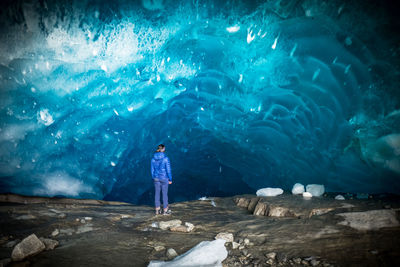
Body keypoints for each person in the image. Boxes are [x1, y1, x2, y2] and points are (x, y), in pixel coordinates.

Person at [151, 144, 172, 215]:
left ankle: (157, 210)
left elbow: (152, 170)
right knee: (164, 194)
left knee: (157, 194)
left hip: (156, 178)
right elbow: (168, 170)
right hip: (164, 178)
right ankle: (165, 210)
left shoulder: (153, 159)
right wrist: (170, 179)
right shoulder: (166, 158)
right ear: (163, 149)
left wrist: (153, 178)